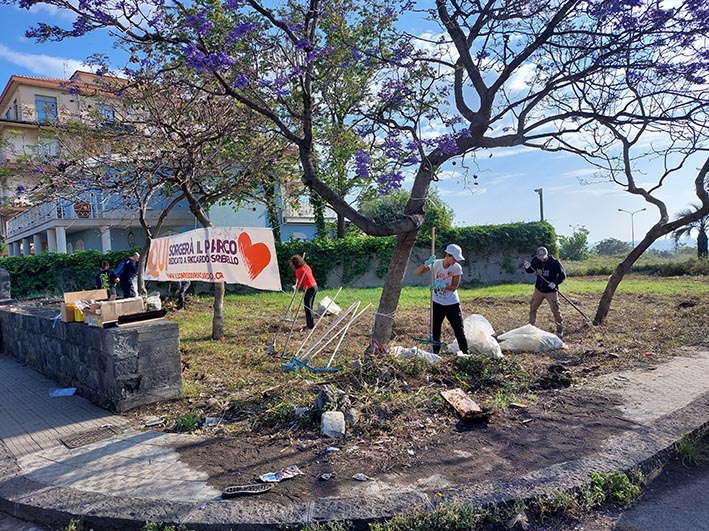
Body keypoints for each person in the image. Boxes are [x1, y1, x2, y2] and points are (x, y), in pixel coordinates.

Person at [414, 243, 470, 355]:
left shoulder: (456, 268)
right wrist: (426, 263)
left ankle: (466, 352)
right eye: (454, 258)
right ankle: (435, 352)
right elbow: (417, 273)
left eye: (457, 259)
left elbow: (454, 287)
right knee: (436, 329)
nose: (455, 261)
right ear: (447, 255)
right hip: (437, 302)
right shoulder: (436, 264)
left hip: (452, 303)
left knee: (458, 329)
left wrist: (442, 284)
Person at [523, 246, 567, 337]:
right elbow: (530, 271)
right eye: (540, 257)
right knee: (532, 308)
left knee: (555, 310)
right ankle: (531, 327)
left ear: (546, 255)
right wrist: (527, 267)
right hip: (539, 289)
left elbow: (563, 275)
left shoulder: (555, 262)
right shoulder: (535, 260)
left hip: (551, 291)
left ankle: (559, 329)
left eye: (543, 257)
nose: (541, 259)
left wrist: (555, 283)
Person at [289, 255, 318, 329]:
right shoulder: (306, 267)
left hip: (309, 288)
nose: (291, 265)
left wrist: (296, 287)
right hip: (314, 286)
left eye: (292, 264)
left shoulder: (299, 271)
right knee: (309, 306)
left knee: (307, 307)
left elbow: (300, 283)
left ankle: (310, 325)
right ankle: (310, 324)